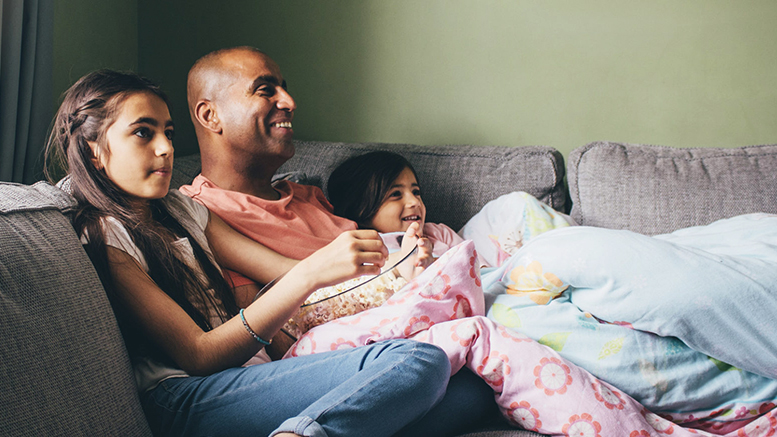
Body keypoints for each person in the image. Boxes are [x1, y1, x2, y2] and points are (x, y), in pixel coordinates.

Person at [44, 69, 456, 437]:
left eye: (168, 132)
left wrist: (398, 272)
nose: (166, 148)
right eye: (143, 132)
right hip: (183, 397)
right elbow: (200, 354)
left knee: (463, 384)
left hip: (246, 377)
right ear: (95, 150)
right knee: (417, 362)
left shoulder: (184, 211)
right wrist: (311, 272)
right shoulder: (102, 234)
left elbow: (282, 271)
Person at [180, 46, 501, 435]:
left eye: (284, 88)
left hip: (401, 332)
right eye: (266, 90)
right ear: (209, 115)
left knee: (479, 387)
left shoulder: (308, 196)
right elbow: (271, 338)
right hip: (339, 355)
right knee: (428, 364)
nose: (290, 102)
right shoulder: (205, 213)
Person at [326, 150, 479, 263]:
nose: (415, 202)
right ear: (360, 209)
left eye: (416, 192)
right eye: (396, 194)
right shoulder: (362, 249)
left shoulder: (439, 234)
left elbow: (479, 270)